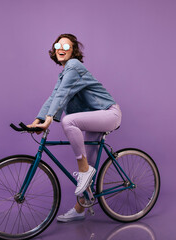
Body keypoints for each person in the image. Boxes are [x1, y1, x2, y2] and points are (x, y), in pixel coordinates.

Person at [27, 33, 122, 222]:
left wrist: (48, 120)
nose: (60, 49)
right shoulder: (64, 72)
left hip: (109, 113)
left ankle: (84, 171)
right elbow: (54, 96)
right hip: (95, 116)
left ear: (73, 51)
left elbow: (62, 94)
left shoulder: (74, 66)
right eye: (57, 46)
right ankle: (80, 209)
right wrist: (38, 120)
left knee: (68, 121)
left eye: (66, 46)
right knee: (91, 162)